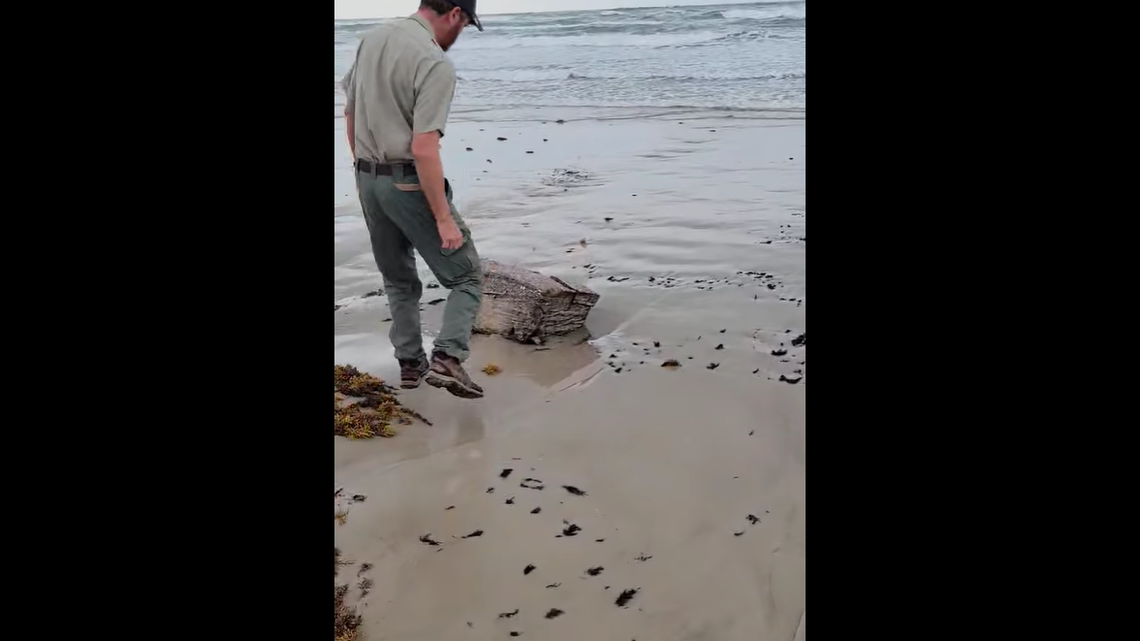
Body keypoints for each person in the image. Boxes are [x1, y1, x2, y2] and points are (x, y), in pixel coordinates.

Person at [341, 0, 485, 399]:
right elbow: (424, 147)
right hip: (406, 180)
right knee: (467, 276)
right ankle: (448, 357)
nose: (459, 36)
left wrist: (363, 173)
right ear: (455, 13)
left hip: (368, 179)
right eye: (466, 25)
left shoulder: (373, 38)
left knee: (398, 278)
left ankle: (410, 363)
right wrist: (442, 218)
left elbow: (350, 113)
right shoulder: (433, 62)